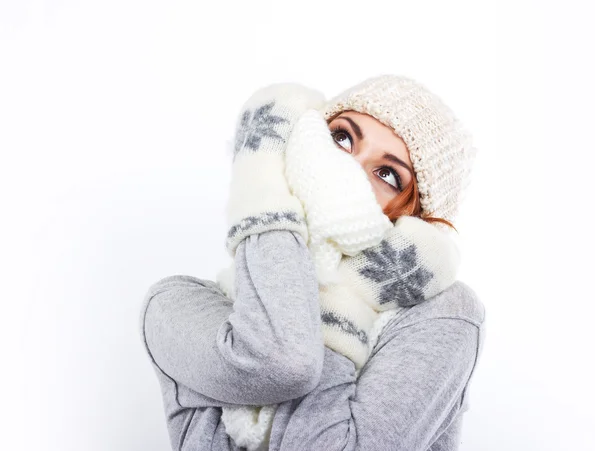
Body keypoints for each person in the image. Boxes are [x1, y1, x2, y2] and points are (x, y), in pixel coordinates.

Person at [138, 74, 486, 451]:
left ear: (413, 220)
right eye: (341, 138)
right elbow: (281, 359)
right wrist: (262, 185)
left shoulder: (444, 314)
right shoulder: (175, 305)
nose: (346, 170)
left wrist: (340, 300)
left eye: (388, 174)